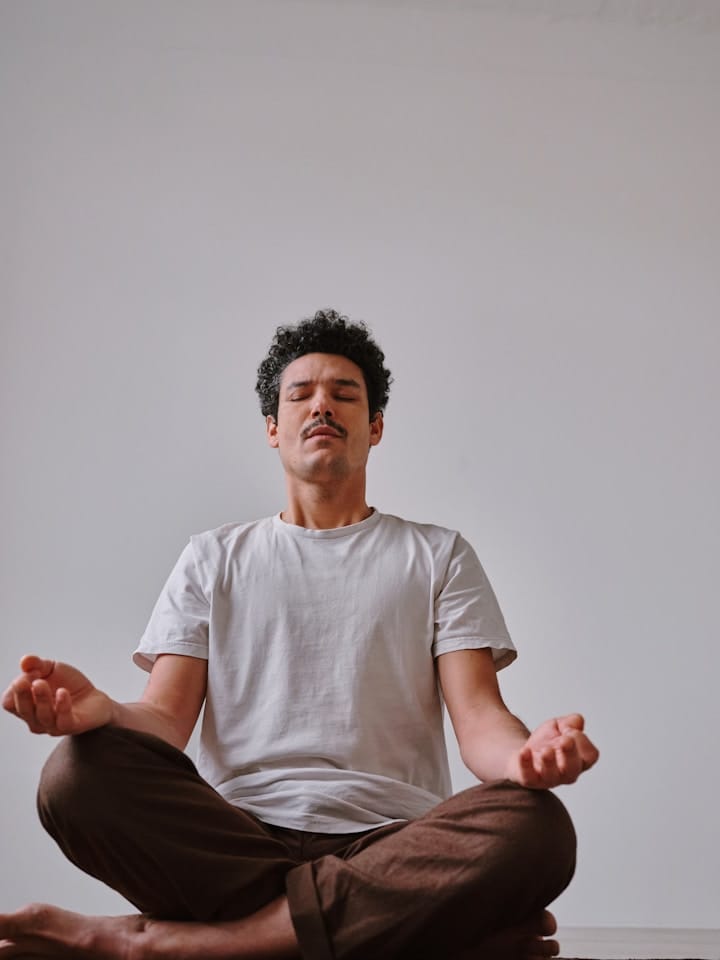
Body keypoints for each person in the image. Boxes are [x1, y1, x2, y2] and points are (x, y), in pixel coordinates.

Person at [1, 310, 598, 960]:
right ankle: (405, 934)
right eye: (301, 394)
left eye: (345, 394)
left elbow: (480, 717)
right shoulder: (213, 557)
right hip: (233, 839)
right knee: (75, 776)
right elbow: (166, 719)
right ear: (272, 428)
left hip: (393, 840)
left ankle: (164, 945)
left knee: (537, 827)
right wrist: (105, 714)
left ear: (374, 428)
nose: (322, 405)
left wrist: (523, 761)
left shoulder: (438, 555)